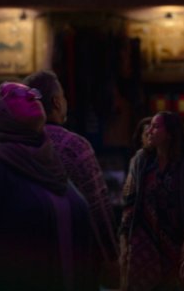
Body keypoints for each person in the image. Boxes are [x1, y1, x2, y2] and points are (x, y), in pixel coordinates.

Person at [0, 82, 96, 291]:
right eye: (17, 94)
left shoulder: (51, 163)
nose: (31, 97)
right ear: (0, 114)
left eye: (32, 92)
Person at [23, 70, 119, 287]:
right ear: (57, 102)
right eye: (64, 96)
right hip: (74, 261)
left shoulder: (11, 147)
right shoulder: (75, 147)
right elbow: (97, 205)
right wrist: (112, 257)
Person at [119, 111, 184, 290]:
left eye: (155, 126)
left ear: (170, 134)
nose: (149, 130)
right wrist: (124, 241)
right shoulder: (141, 161)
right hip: (143, 246)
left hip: (176, 244)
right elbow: (129, 201)